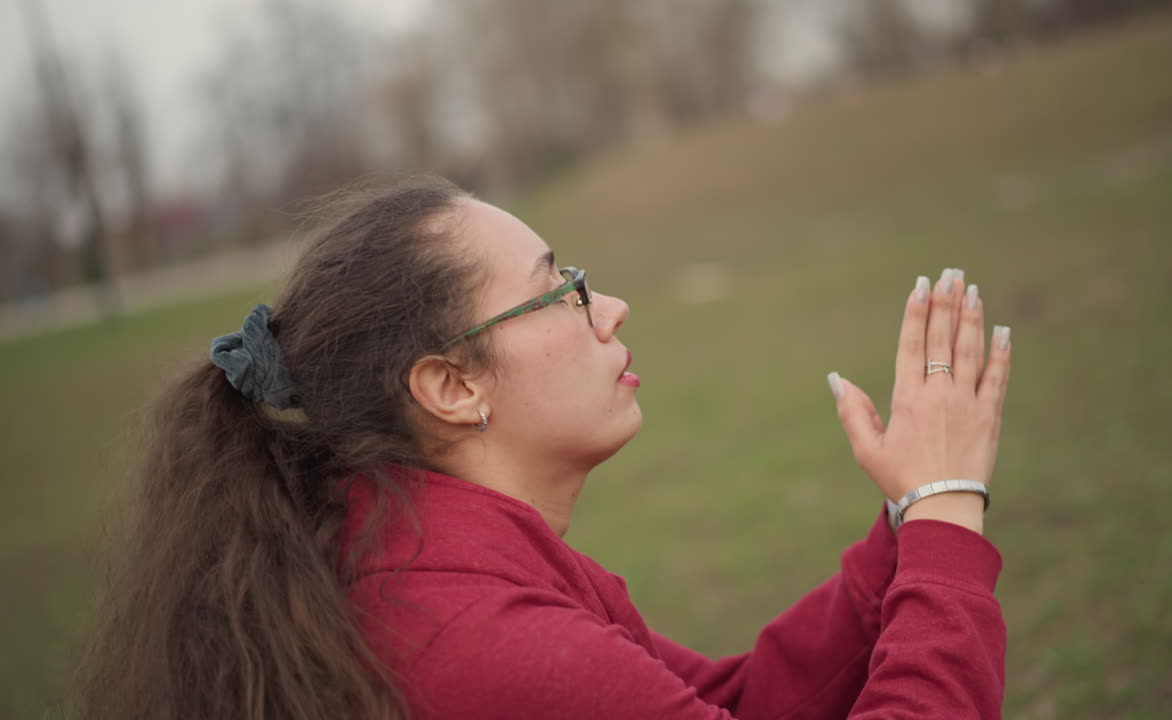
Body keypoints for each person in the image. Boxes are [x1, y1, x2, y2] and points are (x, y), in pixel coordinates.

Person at [78, 176, 1012, 719]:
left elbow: (733, 700)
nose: (608, 309)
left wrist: (905, 523)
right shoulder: (485, 645)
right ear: (453, 385)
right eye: (559, 289)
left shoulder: (444, 556)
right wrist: (946, 517)